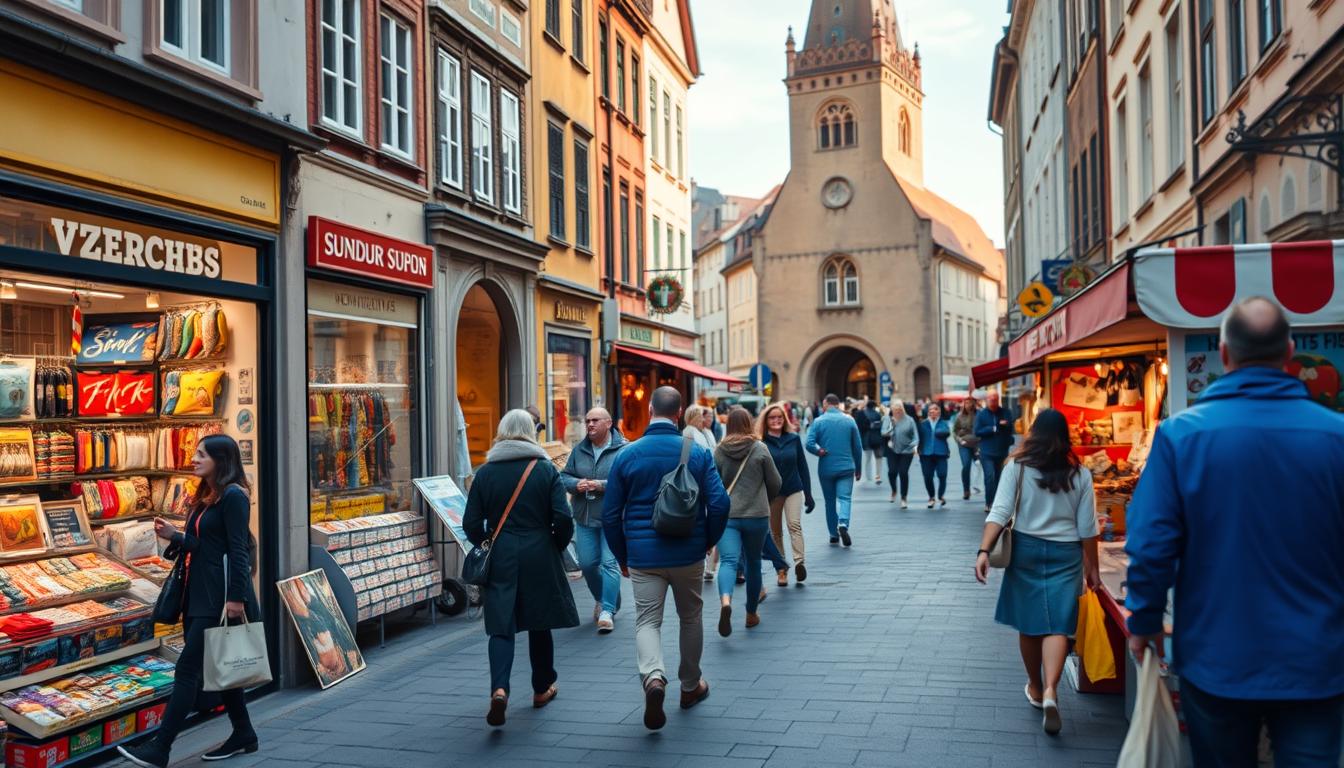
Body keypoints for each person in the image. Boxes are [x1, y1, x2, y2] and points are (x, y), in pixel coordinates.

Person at [1126, 297, 1344, 765]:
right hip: (1317, 657)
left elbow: (1151, 545)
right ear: (1290, 354)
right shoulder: (1336, 436)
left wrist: (1143, 621)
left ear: (1224, 354)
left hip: (1217, 655)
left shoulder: (1180, 436)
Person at [120, 436, 260, 768]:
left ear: (221, 460)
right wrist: (176, 536)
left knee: (187, 671)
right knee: (220, 669)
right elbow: (205, 545)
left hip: (219, 597)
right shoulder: (205, 495)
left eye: (201, 454)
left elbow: (237, 551)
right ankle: (244, 733)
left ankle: (161, 747)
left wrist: (237, 599)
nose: (193, 458)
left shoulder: (234, 497)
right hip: (196, 593)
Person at [603, 387, 731, 730]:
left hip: (643, 556)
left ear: (649, 410)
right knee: (690, 617)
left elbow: (611, 514)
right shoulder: (698, 453)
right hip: (689, 553)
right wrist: (708, 541)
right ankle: (690, 686)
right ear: (678, 414)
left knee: (647, 620)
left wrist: (622, 555)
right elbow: (720, 504)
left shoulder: (627, 455)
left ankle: (654, 678)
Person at [973, 409, 1100, 736]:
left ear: (1033, 433)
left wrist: (984, 550)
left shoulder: (1016, 466)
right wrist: (1093, 569)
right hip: (1066, 553)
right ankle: (1051, 691)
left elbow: (1000, 510)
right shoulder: (1080, 473)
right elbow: (1088, 528)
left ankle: (1034, 684)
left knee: (1029, 625)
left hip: (1026, 551)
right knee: (1059, 623)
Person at [462, 410, 579, 727]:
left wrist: (488, 542)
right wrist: (556, 542)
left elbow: (470, 522)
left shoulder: (485, 472)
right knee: (540, 621)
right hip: (540, 551)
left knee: (501, 624)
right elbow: (563, 518)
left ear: (501, 432)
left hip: (501, 554)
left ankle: (499, 688)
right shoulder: (544, 469)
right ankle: (542, 688)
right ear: (531, 432)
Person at [713, 407, 782, 636]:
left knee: (729, 562)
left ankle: (725, 601)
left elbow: (713, 484)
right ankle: (751, 613)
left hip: (729, 516)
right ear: (749, 423)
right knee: (753, 563)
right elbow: (776, 482)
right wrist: (764, 498)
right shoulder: (759, 448)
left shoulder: (720, 450)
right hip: (756, 516)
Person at [559, 407, 626, 634]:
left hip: (612, 517)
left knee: (609, 563)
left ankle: (607, 611)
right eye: (587, 420)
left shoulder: (623, 450)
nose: (589, 424)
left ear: (609, 423)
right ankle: (605, 598)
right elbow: (564, 476)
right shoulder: (579, 450)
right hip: (585, 517)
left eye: (595, 420)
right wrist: (574, 485)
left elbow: (628, 481)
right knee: (587, 564)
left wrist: (601, 485)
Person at [760, 403, 814, 584]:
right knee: (775, 532)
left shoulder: (793, 438)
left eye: (779, 417)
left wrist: (809, 494)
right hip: (772, 493)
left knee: (794, 525)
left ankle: (800, 563)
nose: (776, 420)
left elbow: (803, 467)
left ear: (784, 419)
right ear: (766, 421)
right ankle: (781, 569)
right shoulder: (761, 442)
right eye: (772, 418)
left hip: (793, 489)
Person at [805, 393, 863, 547]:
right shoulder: (849, 421)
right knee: (845, 498)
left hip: (826, 467)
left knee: (829, 502)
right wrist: (859, 468)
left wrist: (819, 451)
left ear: (825, 404)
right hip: (846, 467)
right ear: (838, 405)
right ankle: (843, 523)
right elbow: (857, 447)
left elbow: (809, 443)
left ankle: (833, 534)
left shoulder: (818, 421)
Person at [975, 390, 1015, 513]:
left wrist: (1005, 425)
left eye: (995, 399)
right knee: (990, 476)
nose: (993, 402)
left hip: (1002, 451)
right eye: (991, 399)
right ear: (986, 400)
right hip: (986, 451)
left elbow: (1010, 428)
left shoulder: (1005, 412)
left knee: (999, 478)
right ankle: (989, 502)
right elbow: (977, 432)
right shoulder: (981, 415)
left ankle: (997, 502)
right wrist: (993, 428)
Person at [880, 398, 919, 508]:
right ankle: (894, 490)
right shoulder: (888, 419)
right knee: (892, 472)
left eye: (899, 409)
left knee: (903, 472)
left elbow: (915, 436)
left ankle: (903, 497)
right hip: (892, 450)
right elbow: (883, 432)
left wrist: (914, 446)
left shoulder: (909, 420)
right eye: (895, 409)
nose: (897, 411)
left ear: (902, 409)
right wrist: (891, 426)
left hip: (906, 450)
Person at [917, 402, 952, 508]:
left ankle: (941, 496)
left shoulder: (943, 423)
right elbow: (917, 437)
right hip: (926, 454)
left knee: (942, 475)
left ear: (939, 412)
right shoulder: (922, 424)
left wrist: (937, 432)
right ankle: (931, 497)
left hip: (941, 453)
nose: (932, 411)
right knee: (927, 476)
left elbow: (946, 432)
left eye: (935, 409)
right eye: (930, 409)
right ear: (928, 412)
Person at [953, 398, 981, 501]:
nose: (968, 404)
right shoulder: (959, 416)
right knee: (966, 465)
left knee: (982, 465)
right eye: (966, 403)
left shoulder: (979, 415)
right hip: (964, 444)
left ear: (974, 403)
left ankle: (982, 487)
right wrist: (959, 440)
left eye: (970, 402)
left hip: (978, 444)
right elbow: (955, 431)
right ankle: (966, 490)